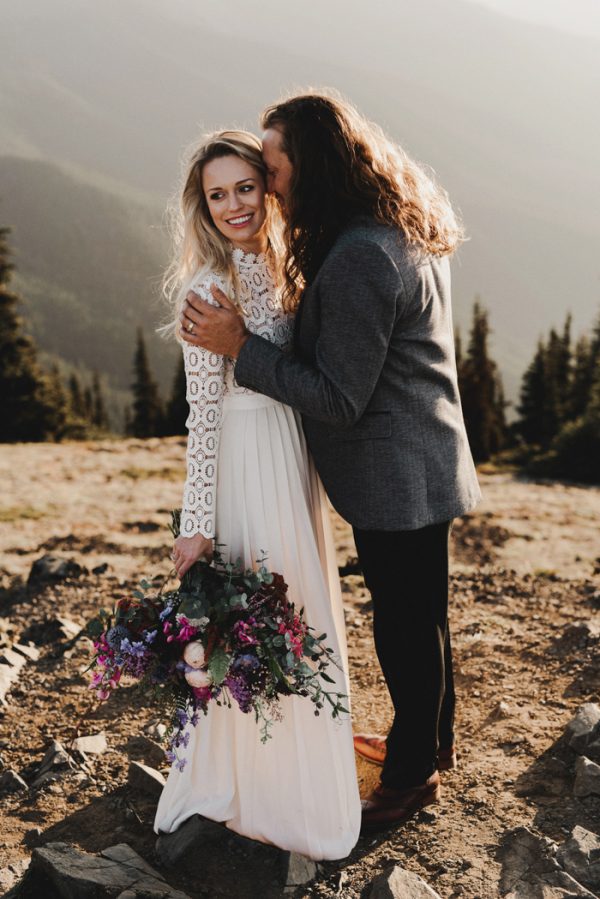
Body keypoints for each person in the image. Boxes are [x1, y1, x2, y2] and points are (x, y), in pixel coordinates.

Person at [180, 93, 482, 832]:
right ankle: (429, 743)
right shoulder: (395, 226)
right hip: (424, 455)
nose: (269, 183)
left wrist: (239, 347)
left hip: (394, 471)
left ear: (310, 165)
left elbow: (337, 398)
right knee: (424, 617)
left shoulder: (358, 257)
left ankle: (410, 775)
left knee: (405, 626)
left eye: (273, 168)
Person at [154, 130, 361, 858]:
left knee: (303, 612)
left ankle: (308, 781)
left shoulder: (284, 268)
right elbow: (202, 416)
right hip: (244, 466)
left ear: (267, 188)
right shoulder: (206, 291)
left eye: (245, 186)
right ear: (202, 207)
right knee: (254, 626)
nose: (234, 204)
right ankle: (249, 783)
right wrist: (197, 523)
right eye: (218, 194)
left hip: (293, 463)